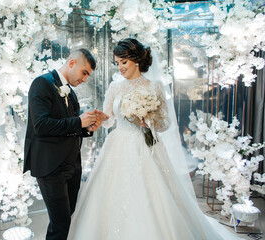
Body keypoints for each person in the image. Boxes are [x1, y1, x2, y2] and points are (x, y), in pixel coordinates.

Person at [68, 39, 243, 240]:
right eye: (117, 63)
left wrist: (149, 120)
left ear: (135, 60)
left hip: (145, 144)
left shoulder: (155, 86)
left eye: (123, 62)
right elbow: (109, 119)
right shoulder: (115, 86)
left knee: (151, 192)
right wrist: (99, 117)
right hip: (118, 144)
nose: (120, 67)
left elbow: (165, 123)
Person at [23, 48, 109, 240]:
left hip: (72, 166)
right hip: (50, 167)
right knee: (60, 223)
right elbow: (41, 126)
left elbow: (67, 127)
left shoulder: (71, 92)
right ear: (72, 63)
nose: (85, 79)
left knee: (65, 219)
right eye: (84, 72)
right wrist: (79, 122)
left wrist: (88, 128)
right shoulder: (41, 84)